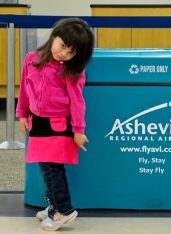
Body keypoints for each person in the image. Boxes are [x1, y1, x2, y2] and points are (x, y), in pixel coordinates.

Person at [16, 17, 94, 231]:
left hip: (58, 125)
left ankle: (64, 210)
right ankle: (53, 207)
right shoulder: (31, 59)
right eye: (62, 46)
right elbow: (24, 90)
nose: (64, 53)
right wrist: (22, 114)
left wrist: (78, 130)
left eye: (71, 52)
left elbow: (78, 102)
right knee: (45, 167)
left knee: (52, 169)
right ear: (54, 36)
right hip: (37, 123)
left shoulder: (70, 71)